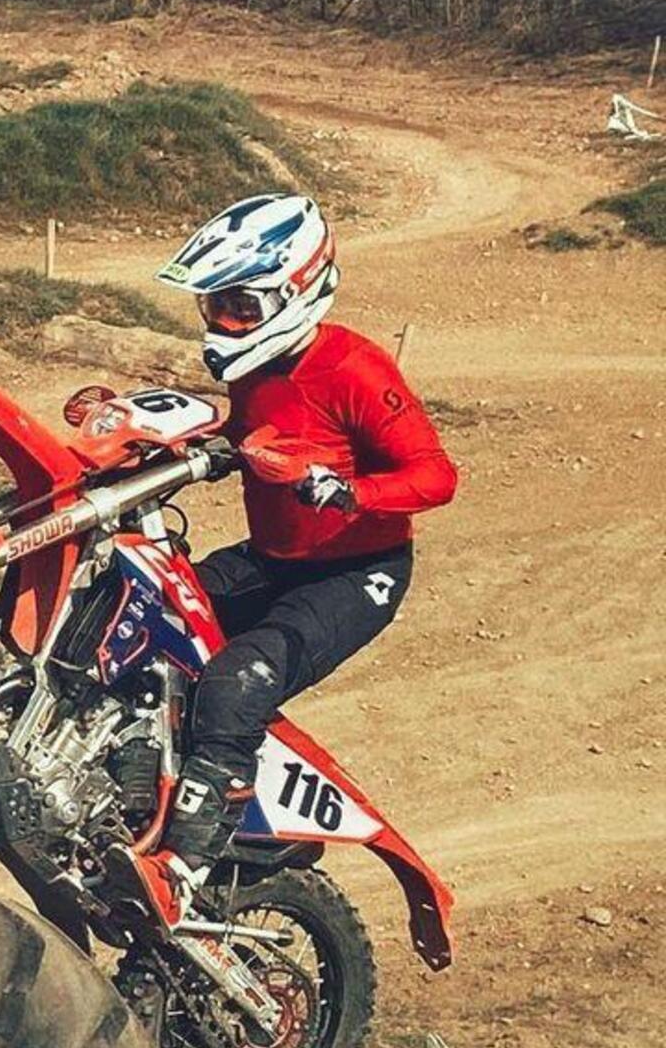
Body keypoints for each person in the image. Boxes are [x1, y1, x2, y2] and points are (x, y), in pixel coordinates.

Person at [107, 193, 458, 928]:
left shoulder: (355, 367)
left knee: (238, 683)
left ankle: (186, 865)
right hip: (272, 557)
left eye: (239, 305)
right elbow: (256, 432)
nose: (222, 323)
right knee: (143, 613)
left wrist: (347, 491)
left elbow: (435, 475)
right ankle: (131, 791)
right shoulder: (256, 366)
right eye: (215, 306)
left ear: (296, 290)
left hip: (355, 572)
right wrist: (194, 449)